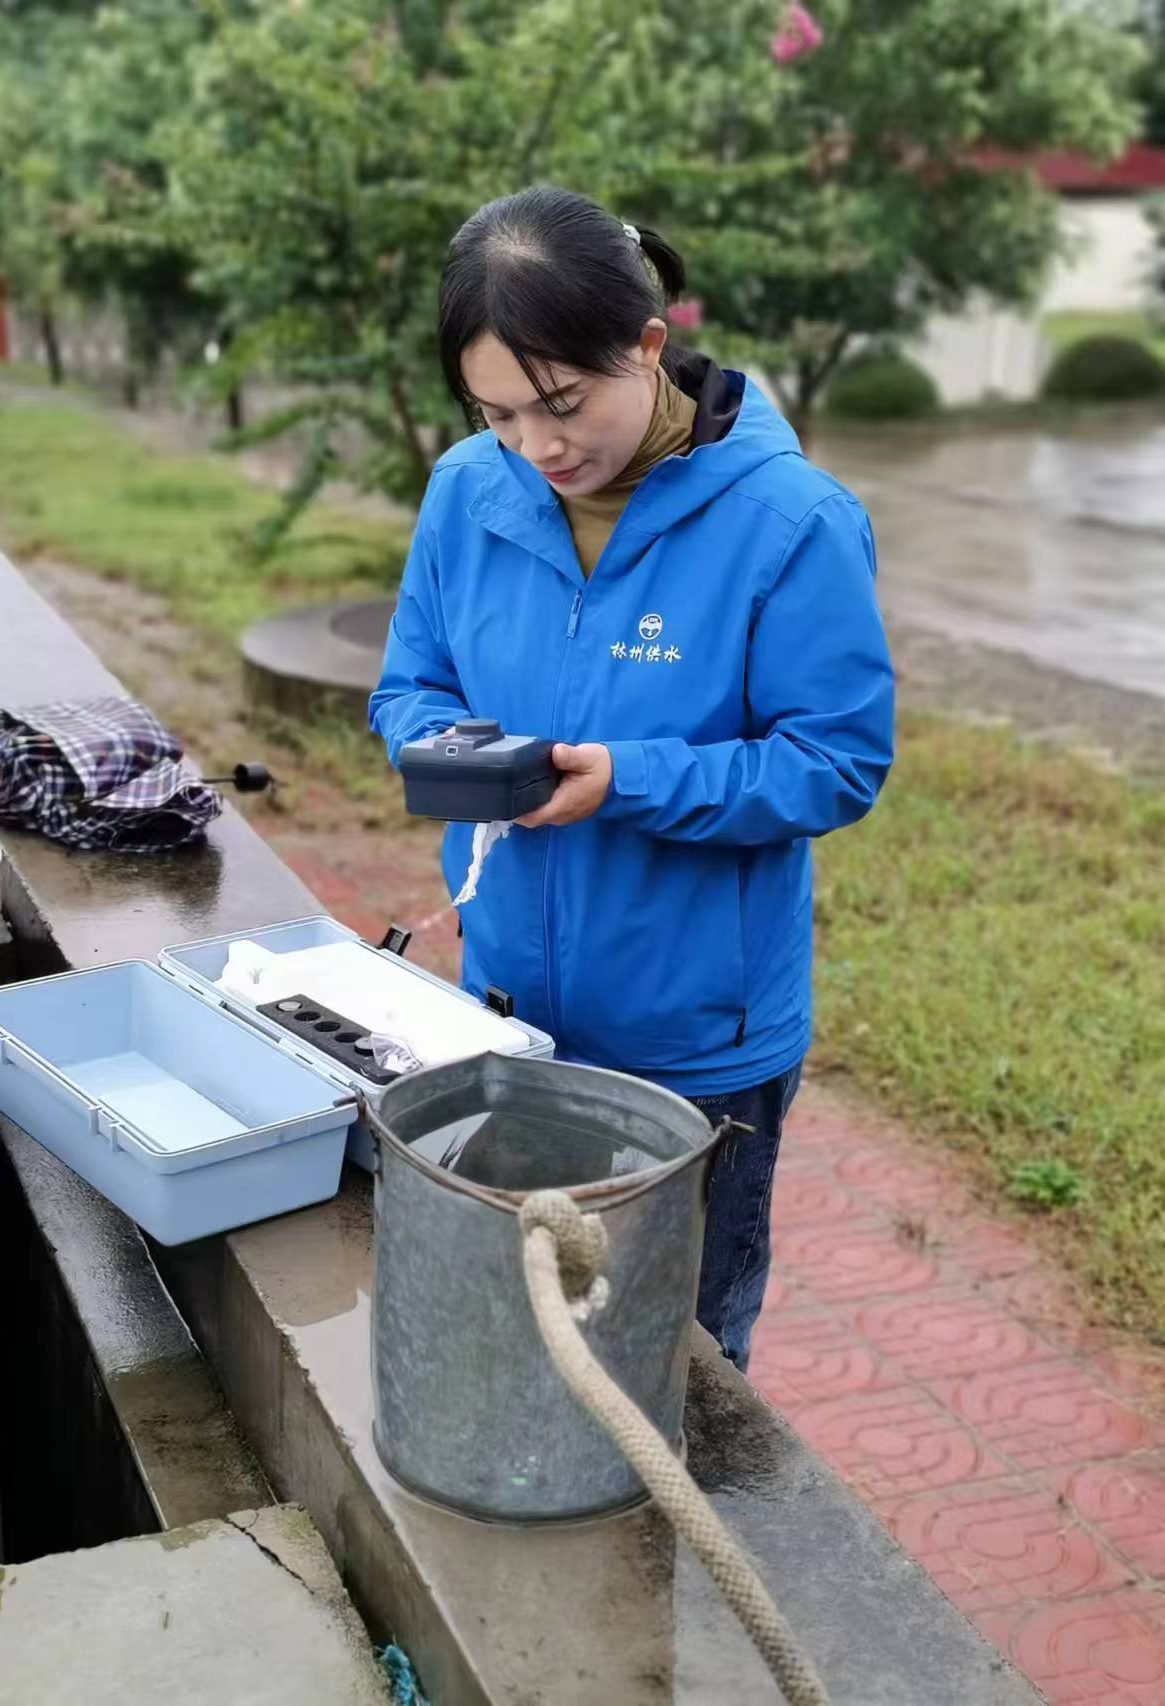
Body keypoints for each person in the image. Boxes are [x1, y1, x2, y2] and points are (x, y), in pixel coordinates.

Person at [369, 186, 894, 1372]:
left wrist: (632, 777)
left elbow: (835, 763)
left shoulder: (789, 523)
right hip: (511, 1011)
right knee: (539, 1319)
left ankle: (682, 1547)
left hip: (700, 1041)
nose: (537, 447)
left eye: (561, 403)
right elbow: (409, 687)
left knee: (682, 1349)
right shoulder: (467, 489)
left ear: (647, 348)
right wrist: (456, 750)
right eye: (497, 412)